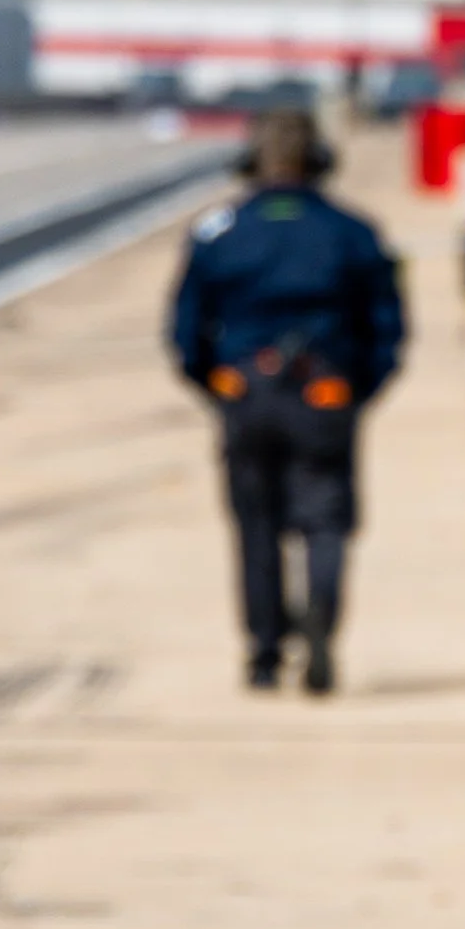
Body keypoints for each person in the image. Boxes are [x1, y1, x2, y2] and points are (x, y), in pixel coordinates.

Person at [168, 106, 405, 696]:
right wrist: (357, 392)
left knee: (257, 525)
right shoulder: (353, 231)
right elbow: (388, 328)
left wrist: (219, 387)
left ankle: (265, 652)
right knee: (325, 519)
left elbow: (184, 332)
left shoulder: (218, 231)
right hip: (324, 391)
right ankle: (321, 609)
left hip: (246, 392)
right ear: (320, 163)